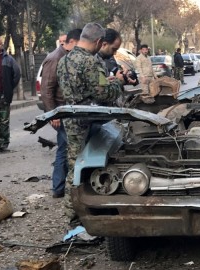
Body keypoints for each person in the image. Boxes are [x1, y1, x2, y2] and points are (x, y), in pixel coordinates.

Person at [56, 22, 124, 223]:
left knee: (73, 164)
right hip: (88, 120)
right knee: (84, 167)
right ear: (98, 42)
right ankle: (75, 215)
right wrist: (118, 82)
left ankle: (72, 213)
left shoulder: (64, 60)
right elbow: (103, 94)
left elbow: (80, 88)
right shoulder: (91, 63)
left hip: (71, 117)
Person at [40, 28, 82, 198]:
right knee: (67, 149)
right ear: (71, 42)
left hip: (67, 112)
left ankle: (59, 188)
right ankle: (60, 188)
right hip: (60, 113)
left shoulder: (67, 57)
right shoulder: (55, 58)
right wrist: (53, 114)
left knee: (64, 149)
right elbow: (46, 90)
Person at [0, 35, 21, 152]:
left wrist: (9, 88)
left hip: (3, 96)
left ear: (2, 45)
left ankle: (3, 145)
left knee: (4, 122)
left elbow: (16, 74)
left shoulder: (8, 59)